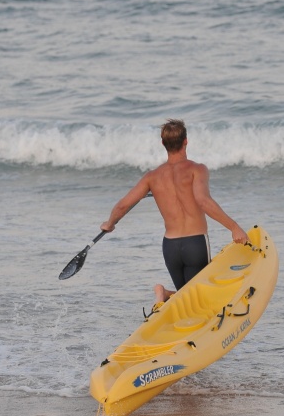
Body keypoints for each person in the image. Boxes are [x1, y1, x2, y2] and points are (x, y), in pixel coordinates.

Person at [101, 119, 248, 304]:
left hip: (170, 247)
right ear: (186, 141)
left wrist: (110, 223)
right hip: (195, 243)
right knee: (199, 299)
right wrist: (234, 227)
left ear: (163, 143)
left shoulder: (152, 177)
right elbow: (203, 201)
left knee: (187, 298)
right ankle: (166, 294)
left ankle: (164, 294)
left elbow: (123, 205)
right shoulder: (197, 169)